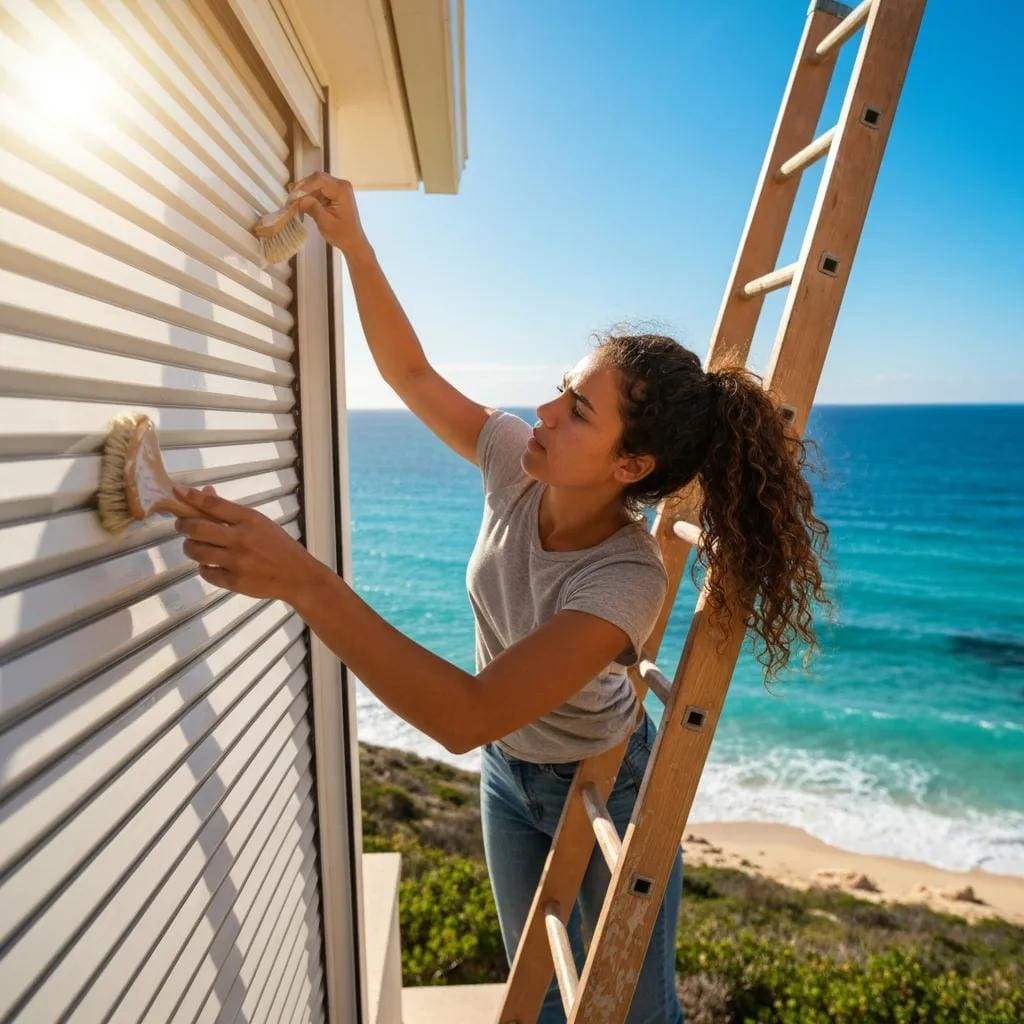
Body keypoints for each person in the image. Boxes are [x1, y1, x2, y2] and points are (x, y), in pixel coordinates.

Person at [172, 173, 832, 1024]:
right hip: (506, 775)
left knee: (637, 1008)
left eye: (578, 410)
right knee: (544, 993)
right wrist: (357, 247)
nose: (544, 408)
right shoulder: (516, 463)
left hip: (596, 780)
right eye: (562, 385)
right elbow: (410, 373)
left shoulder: (626, 578)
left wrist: (302, 580)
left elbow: (466, 712)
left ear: (630, 469)